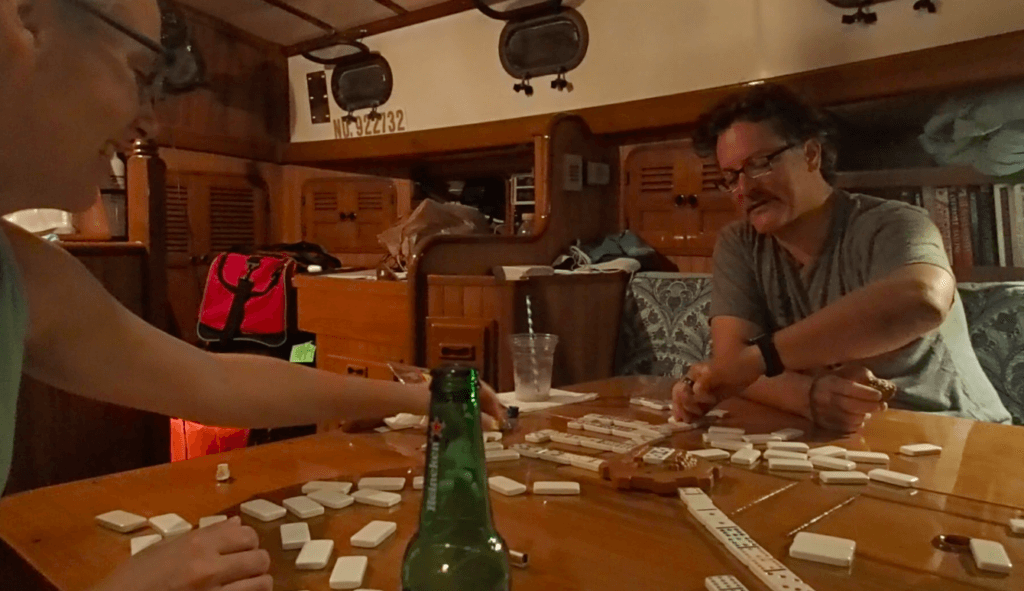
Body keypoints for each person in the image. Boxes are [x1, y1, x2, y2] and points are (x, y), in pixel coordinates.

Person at [0, 2, 504, 590]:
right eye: (140, 73)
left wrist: (422, 399)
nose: (151, 123)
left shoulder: (26, 273)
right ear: (23, 21)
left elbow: (214, 382)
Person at [671, 83, 1012, 432]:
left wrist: (762, 359)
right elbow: (732, 364)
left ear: (811, 155)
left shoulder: (894, 223)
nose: (744, 189)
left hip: (959, 431)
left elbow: (923, 299)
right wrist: (810, 396)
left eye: (759, 164)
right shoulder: (741, 243)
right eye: (731, 177)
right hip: (843, 440)